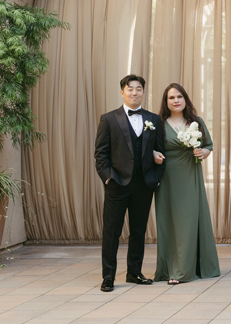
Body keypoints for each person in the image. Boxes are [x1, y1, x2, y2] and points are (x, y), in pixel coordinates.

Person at [93, 74, 165, 292]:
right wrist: (108, 178)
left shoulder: (153, 119)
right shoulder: (109, 119)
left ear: (144, 92)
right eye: (130, 89)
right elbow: (100, 154)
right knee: (111, 232)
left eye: (139, 89)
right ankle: (108, 277)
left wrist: (156, 176)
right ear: (122, 92)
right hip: (117, 184)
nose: (135, 92)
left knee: (138, 231)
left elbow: (161, 150)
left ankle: (134, 273)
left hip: (144, 185)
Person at [153, 83, 220, 285]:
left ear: (185, 99)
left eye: (179, 96)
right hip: (167, 180)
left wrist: (203, 153)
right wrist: (153, 154)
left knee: (189, 220)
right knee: (169, 222)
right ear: (166, 102)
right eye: (171, 98)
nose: (176, 101)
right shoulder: (159, 124)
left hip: (191, 176)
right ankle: (170, 268)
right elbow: (149, 148)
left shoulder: (196, 122)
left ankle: (186, 269)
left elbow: (209, 146)